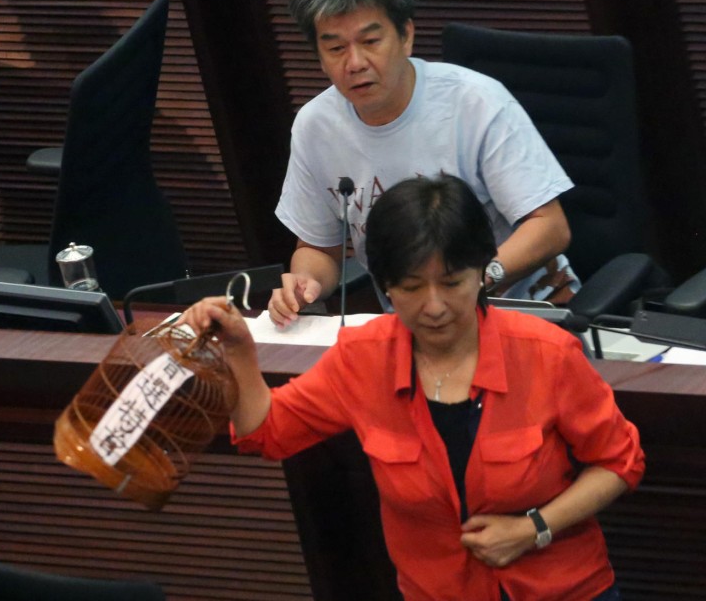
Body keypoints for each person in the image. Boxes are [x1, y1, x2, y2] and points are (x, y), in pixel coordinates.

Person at [181, 174, 645, 600]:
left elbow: (619, 462)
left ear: (482, 272)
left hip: (564, 591)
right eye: (411, 287)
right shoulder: (362, 359)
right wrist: (240, 352)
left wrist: (534, 528)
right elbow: (267, 431)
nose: (435, 306)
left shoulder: (546, 353)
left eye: (452, 282)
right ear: (385, 285)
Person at [269, 0, 578, 326]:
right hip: (421, 329)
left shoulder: (476, 102)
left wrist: (474, 282)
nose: (355, 62)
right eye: (335, 49)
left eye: (370, 41)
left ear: (406, 36)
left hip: (524, 311)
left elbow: (550, 227)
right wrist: (305, 283)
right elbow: (319, 249)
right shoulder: (316, 126)